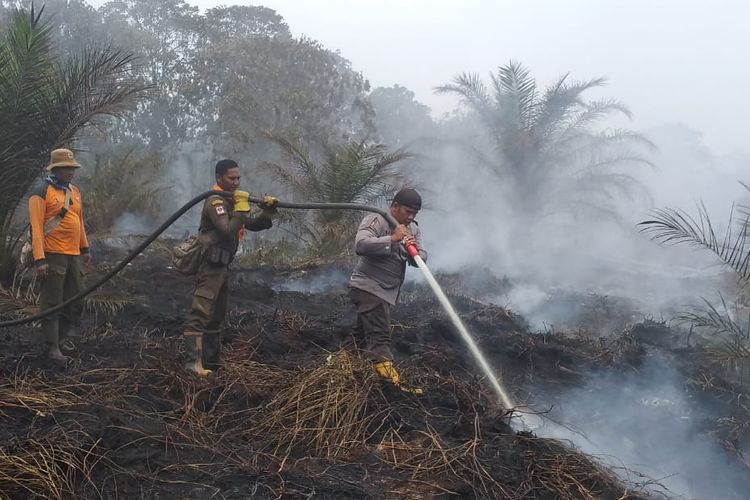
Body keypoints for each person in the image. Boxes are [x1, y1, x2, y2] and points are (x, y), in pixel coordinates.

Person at [183, 159, 277, 376]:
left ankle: (212, 362)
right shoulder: (215, 201)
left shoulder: (232, 201)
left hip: (223, 266)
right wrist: (242, 210)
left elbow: (250, 225)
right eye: (231, 178)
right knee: (200, 313)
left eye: (238, 178)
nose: (236, 182)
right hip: (209, 267)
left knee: (216, 316)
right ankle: (193, 365)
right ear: (219, 178)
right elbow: (226, 230)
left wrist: (267, 213)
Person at [348, 188, 427, 388]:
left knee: (360, 335)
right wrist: (392, 239)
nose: (411, 217)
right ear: (395, 207)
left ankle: (348, 368)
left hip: (386, 291)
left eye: (414, 214)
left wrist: (414, 252)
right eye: (407, 212)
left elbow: (422, 257)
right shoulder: (376, 220)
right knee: (379, 334)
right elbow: (361, 245)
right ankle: (390, 383)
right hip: (369, 287)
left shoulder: (413, 230)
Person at [28, 148, 92, 365]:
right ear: (56, 168)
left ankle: (62, 339)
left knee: (76, 299)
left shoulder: (74, 191)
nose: (71, 172)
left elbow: (79, 221)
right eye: (67, 168)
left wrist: (85, 248)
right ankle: (52, 347)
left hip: (73, 254)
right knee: (52, 302)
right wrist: (39, 259)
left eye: (73, 168)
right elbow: (37, 228)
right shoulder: (41, 192)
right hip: (52, 254)